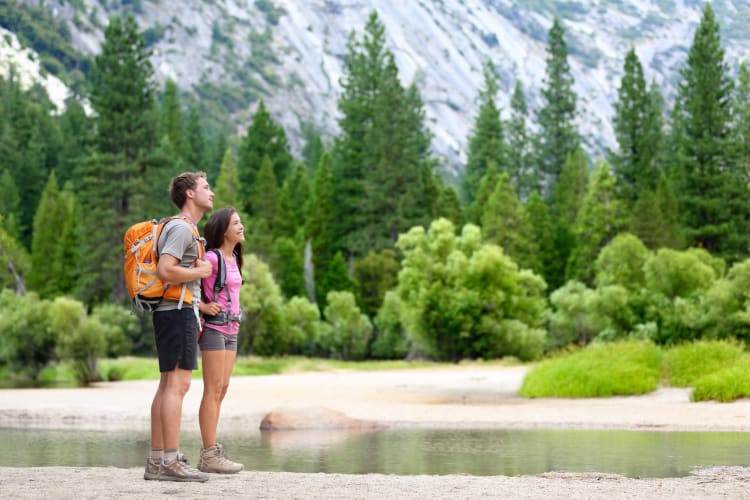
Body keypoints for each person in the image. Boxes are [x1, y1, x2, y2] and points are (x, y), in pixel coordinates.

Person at [144, 171, 214, 482]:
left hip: (173, 312)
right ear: (189, 194)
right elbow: (165, 270)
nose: (211, 192)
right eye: (205, 187)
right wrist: (202, 270)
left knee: (167, 386)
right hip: (177, 312)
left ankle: (158, 461)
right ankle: (170, 462)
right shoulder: (183, 230)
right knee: (178, 386)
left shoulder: (183, 229)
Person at [197, 207, 245, 473]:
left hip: (232, 329)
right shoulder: (211, 259)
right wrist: (202, 307)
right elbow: (184, 282)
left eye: (241, 222)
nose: (241, 227)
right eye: (236, 223)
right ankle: (209, 454)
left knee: (222, 389)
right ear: (223, 229)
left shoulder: (235, 258)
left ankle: (211, 452)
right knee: (212, 390)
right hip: (214, 329)